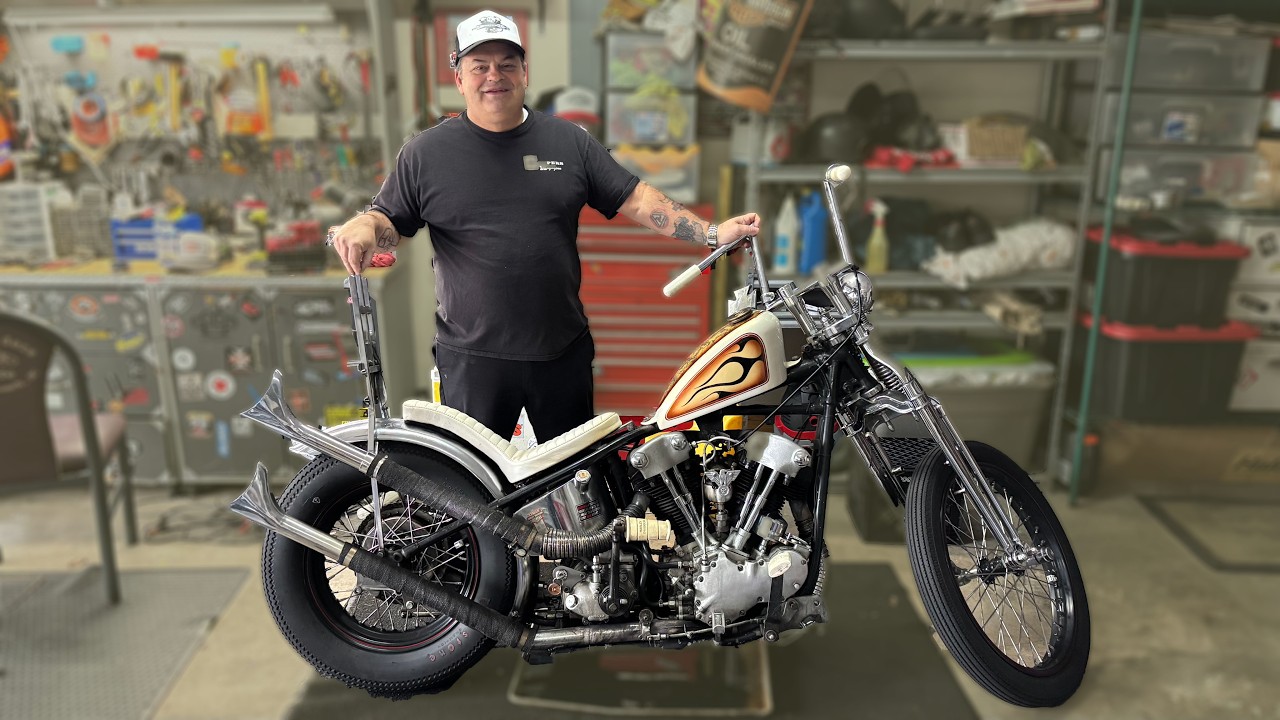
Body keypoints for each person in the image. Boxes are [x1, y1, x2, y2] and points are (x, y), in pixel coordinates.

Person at [329, 9, 760, 441]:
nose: (494, 76)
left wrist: (710, 233)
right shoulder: (425, 154)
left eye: (507, 64)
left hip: (560, 353)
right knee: (476, 489)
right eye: (479, 66)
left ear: (524, 72)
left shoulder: (568, 141)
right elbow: (389, 219)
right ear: (459, 78)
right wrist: (366, 224)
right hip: (473, 360)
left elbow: (635, 198)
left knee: (576, 483)